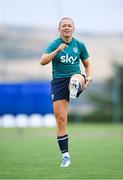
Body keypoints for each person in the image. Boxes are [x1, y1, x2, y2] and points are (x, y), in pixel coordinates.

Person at [40, 17, 93, 167]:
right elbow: (43, 61)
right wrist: (57, 50)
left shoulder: (79, 45)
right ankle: (66, 157)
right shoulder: (55, 44)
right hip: (58, 83)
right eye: (64, 25)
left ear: (73, 29)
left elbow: (87, 64)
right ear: (59, 29)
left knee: (75, 79)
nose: (67, 27)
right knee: (61, 121)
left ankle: (75, 87)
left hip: (75, 76)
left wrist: (89, 77)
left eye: (69, 25)